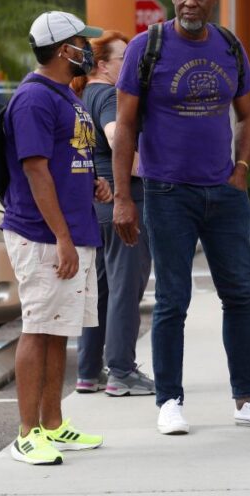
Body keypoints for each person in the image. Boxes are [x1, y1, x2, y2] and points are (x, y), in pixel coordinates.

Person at [112, 0, 250, 435]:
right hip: (167, 191)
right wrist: (123, 201)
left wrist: (241, 171)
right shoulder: (145, 48)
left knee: (240, 295)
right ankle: (169, 401)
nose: (191, 3)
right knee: (173, 299)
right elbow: (126, 126)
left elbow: (248, 115)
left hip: (225, 194)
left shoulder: (229, 46)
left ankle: (248, 400)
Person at [1, 10, 112, 465]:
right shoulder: (33, 99)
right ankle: (27, 433)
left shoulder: (66, 96)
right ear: (63, 49)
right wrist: (62, 238)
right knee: (37, 327)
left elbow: (67, 158)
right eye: (81, 43)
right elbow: (35, 170)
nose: (88, 49)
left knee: (57, 330)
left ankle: (53, 423)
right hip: (42, 234)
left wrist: (93, 184)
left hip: (71, 229)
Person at [70, 31, 155, 397]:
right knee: (125, 288)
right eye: (124, 59)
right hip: (123, 202)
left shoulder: (84, 94)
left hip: (96, 207)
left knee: (100, 290)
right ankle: (121, 370)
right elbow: (116, 134)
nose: (131, 66)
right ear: (103, 65)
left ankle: (89, 372)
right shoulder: (106, 94)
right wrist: (148, 166)